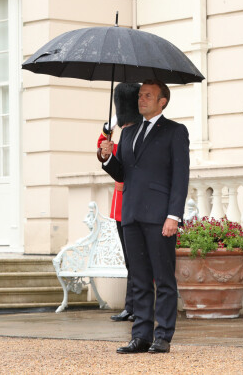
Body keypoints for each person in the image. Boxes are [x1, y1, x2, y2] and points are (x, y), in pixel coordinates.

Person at [99, 79, 189, 355]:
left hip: (160, 216)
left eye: (148, 95)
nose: (141, 99)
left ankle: (162, 336)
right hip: (131, 215)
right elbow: (123, 173)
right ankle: (140, 335)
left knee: (163, 278)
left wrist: (174, 215)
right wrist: (106, 158)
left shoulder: (175, 131)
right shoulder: (128, 132)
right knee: (138, 279)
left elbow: (180, 177)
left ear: (163, 100)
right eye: (140, 95)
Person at [97, 82, 142, 323]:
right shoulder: (122, 132)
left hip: (134, 202)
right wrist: (107, 131)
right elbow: (103, 152)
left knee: (136, 259)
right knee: (130, 259)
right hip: (121, 205)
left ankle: (135, 305)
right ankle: (131, 305)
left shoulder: (138, 132)